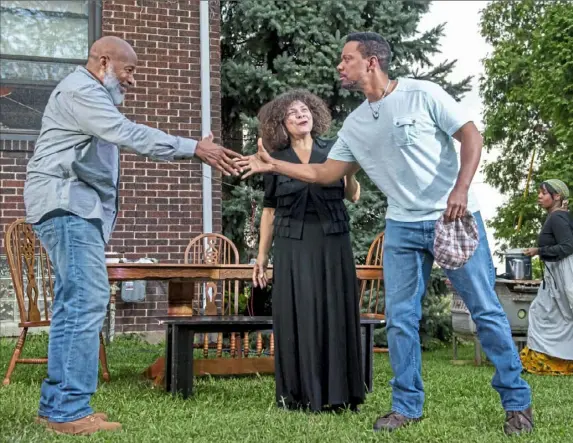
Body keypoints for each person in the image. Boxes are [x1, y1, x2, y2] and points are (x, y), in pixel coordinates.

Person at [237, 32, 533, 435]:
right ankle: (406, 406)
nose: (340, 66)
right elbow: (326, 173)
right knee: (399, 319)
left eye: (346, 59)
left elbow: (471, 135)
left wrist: (460, 189)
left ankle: (517, 403)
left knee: (484, 310)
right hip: (402, 226)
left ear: (371, 62)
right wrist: (276, 167)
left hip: (453, 216)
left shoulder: (422, 93)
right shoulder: (357, 124)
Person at [23, 36, 242, 436]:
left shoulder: (90, 94)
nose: (133, 80)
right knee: (85, 302)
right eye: (129, 70)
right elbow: (130, 134)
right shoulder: (81, 92)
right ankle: (68, 410)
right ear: (104, 62)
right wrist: (194, 148)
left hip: (73, 208)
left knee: (76, 304)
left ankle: (59, 405)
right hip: (66, 205)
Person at [252, 89, 364, 413]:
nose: (301, 115)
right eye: (293, 113)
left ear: (314, 115)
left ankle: (339, 393)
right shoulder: (276, 159)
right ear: (282, 124)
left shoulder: (334, 151)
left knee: (334, 311)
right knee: (298, 313)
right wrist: (262, 256)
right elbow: (269, 211)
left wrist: (352, 174)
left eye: (305, 110)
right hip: (292, 244)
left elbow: (353, 195)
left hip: (333, 240)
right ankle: (298, 394)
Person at [521, 179, 573, 375]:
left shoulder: (558, 218)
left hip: (564, 271)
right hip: (556, 272)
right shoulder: (559, 216)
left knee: (555, 314)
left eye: (543, 193)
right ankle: (545, 362)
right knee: (544, 312)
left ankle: (549, 362)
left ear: (557, 196)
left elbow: (568, 247)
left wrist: (538, 250)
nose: (539, 196)